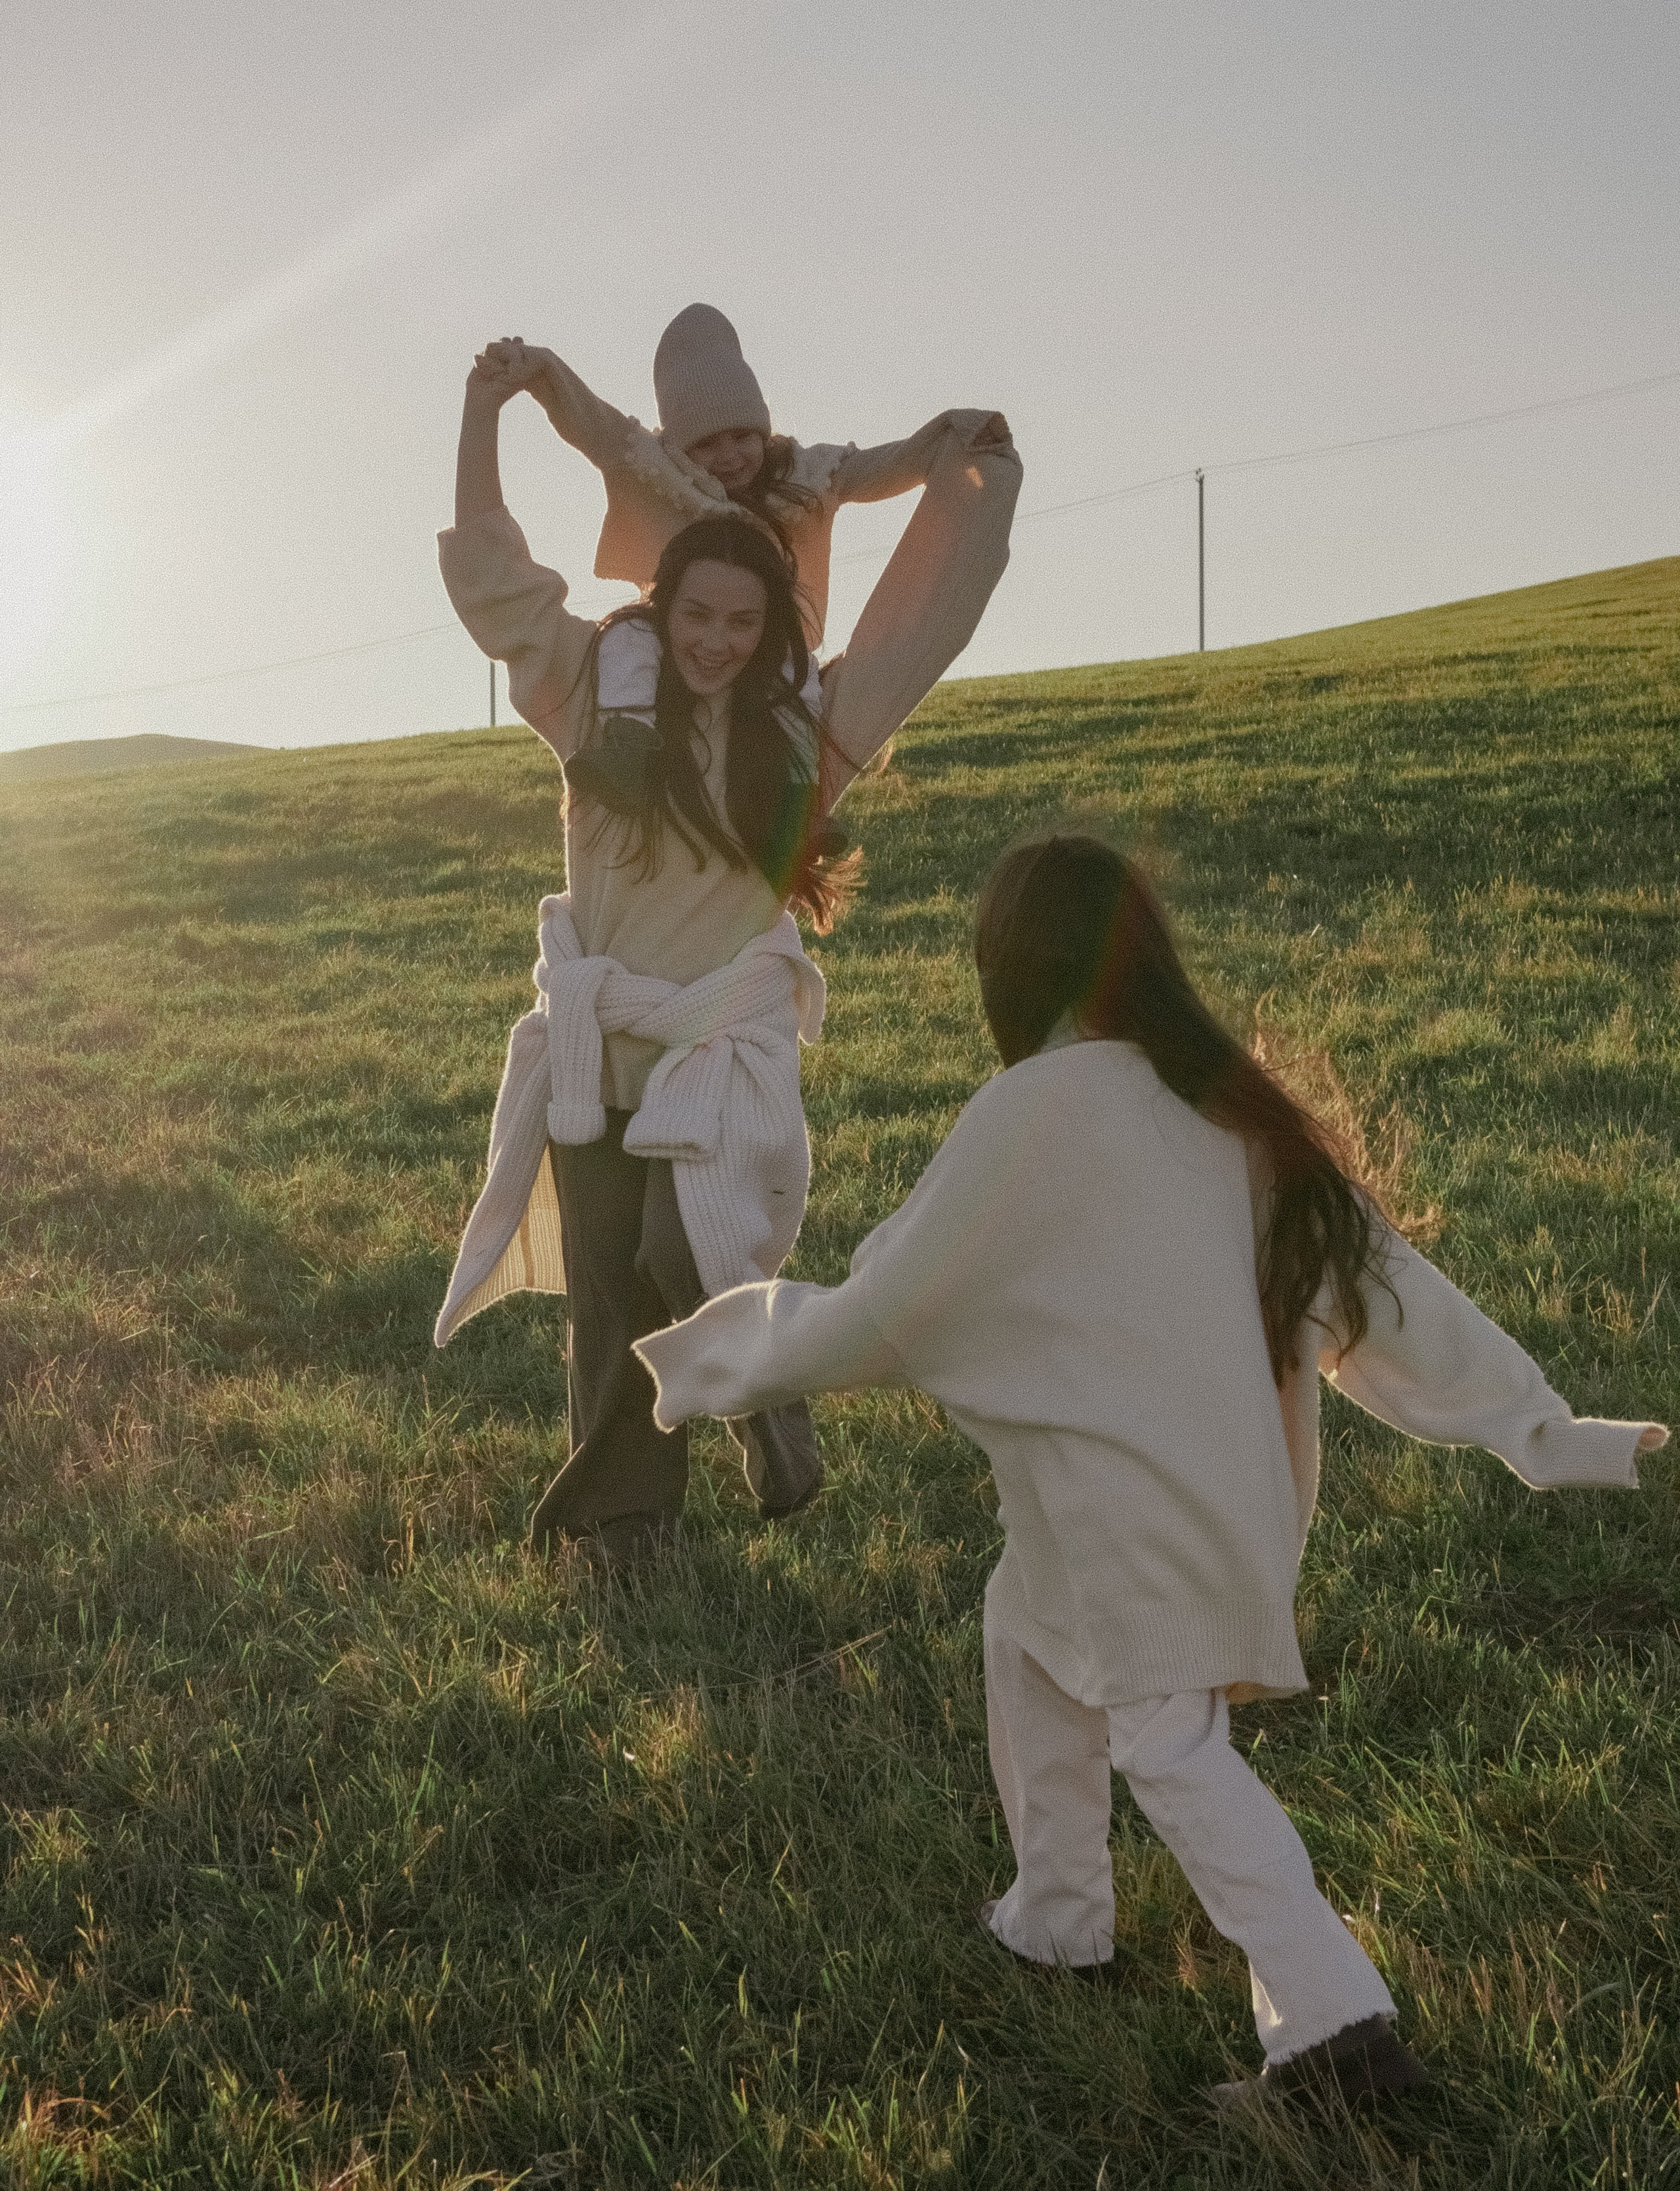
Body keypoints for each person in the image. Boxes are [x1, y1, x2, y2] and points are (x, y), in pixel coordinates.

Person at [634, 833, 1668, 2111]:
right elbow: (1388, 1290)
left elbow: (888, 1305)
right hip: (1198, 1507)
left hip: (1132, 1519)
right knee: (1022, 1637)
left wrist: (712, 1362)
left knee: (1169, 1746)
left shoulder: (1029, 1110)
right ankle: (1056, 1917)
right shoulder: (1226, 1106)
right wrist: (1543, 1427)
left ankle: (1342, 2041)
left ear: (1008, 971)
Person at [432, 332, 1021, 1568]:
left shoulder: (806, 735)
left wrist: (976, 494)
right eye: (696, 613)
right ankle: (635, 1522)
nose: (713, 641)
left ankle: (750, 1400)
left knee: (676, 1246)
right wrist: (484, 418)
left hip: (716, 1043)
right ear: (665, 606)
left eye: (741, 623)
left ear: (768, 630)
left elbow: (921, 626)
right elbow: (495, 585)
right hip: (600, 1047)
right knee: (604, 1296)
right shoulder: (599, 693)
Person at [479, 304, 999, 814]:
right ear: (682, 448)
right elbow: (589, 421)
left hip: (772, 635)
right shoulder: (657, 470)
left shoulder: (805, 474)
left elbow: (883, 466)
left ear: (764, 431)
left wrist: (951, 432)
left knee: (800, 685)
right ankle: (630, 744)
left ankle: (799, 796)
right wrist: (538, 370)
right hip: (677, 631)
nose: (729, 455)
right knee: (626, 637)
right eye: (707, 443)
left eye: (742, 436)